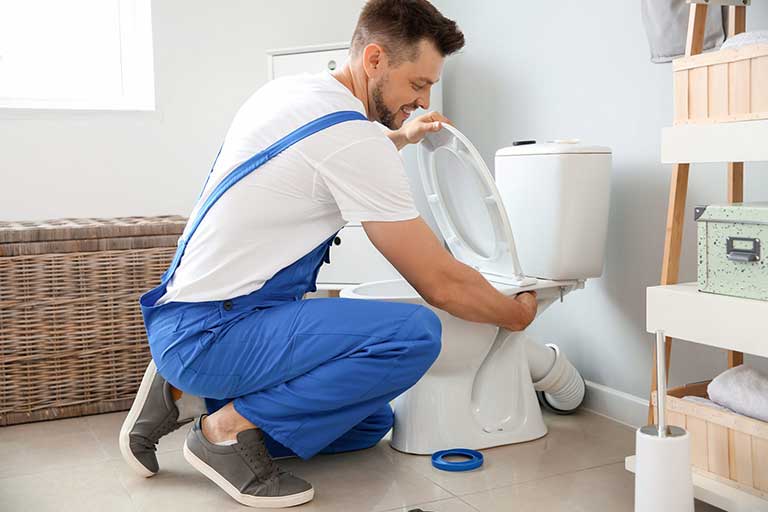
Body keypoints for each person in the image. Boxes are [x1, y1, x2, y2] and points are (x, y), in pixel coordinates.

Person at [119, 0, 537, 508]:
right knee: (413, 336)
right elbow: (440, 284)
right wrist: (513, 315)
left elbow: (330, 157)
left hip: (195, 313)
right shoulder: (353, 139)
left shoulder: (294, 92)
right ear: (376, 59)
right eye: (418, 84)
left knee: (370, 423)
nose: (423, 101)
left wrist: (399, 138)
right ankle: (223, 431)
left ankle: (185, 397)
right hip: (215, 330)